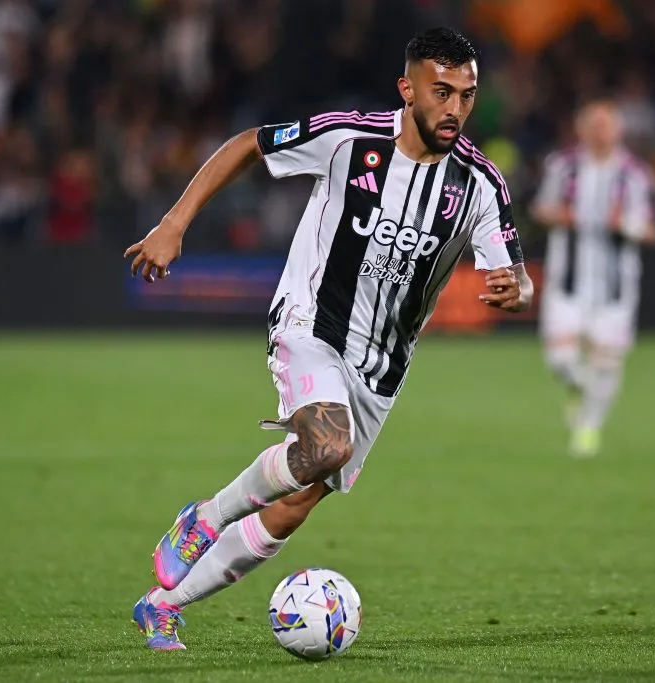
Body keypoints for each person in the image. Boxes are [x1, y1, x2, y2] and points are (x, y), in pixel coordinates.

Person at [124, 27, 532, 651]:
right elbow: (248, 145)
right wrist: (173, 222)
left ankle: (163, 605)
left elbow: (515, 276)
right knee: (327, 446)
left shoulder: (478, 185)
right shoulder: (350, 139)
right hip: (311, 323)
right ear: (408, 88)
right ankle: (205, 517)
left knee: (295, 503)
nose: (454, 109)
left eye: (467, 95)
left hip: (382, 367)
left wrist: (517, 289)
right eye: (441, 91)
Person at [531, 99, 655, 458]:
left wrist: (626, 225)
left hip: (616, 287)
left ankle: (588, 428)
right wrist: (559, 215)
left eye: (607, 124)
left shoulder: (636, 174)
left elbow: (652, 229)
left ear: (619, 130)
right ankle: (583, 391)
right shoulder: (563, 167)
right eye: (594, 124)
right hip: (567, 280)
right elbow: (540, 209)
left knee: (606, 362)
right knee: (561, 360)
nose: (601, 131)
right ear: (581, 129)